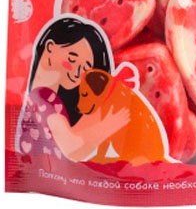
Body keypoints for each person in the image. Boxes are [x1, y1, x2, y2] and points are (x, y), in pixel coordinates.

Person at [16, 16, 130, 161]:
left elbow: (77, 152)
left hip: (44, 170)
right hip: (46, 169)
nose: (77, 73)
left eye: (85, 69)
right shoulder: (44, 97)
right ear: (50, 47)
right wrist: (107, 126)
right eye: (72, 59)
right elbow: (70, 146)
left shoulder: (42, 98)